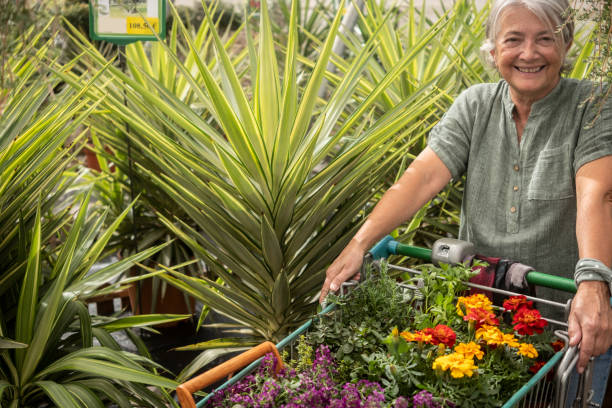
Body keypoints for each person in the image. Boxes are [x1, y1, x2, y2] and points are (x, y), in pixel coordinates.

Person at [320, 0, 612, 404]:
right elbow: (420, 177)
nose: (529, 53)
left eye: (545, 38)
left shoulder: (594, 105)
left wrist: (594, 284)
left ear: (566, 44)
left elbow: (597, 194)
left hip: (563, 322)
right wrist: (359, 243)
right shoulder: (475, 105)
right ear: (493, 52)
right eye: (514, 40)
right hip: (480, 319)